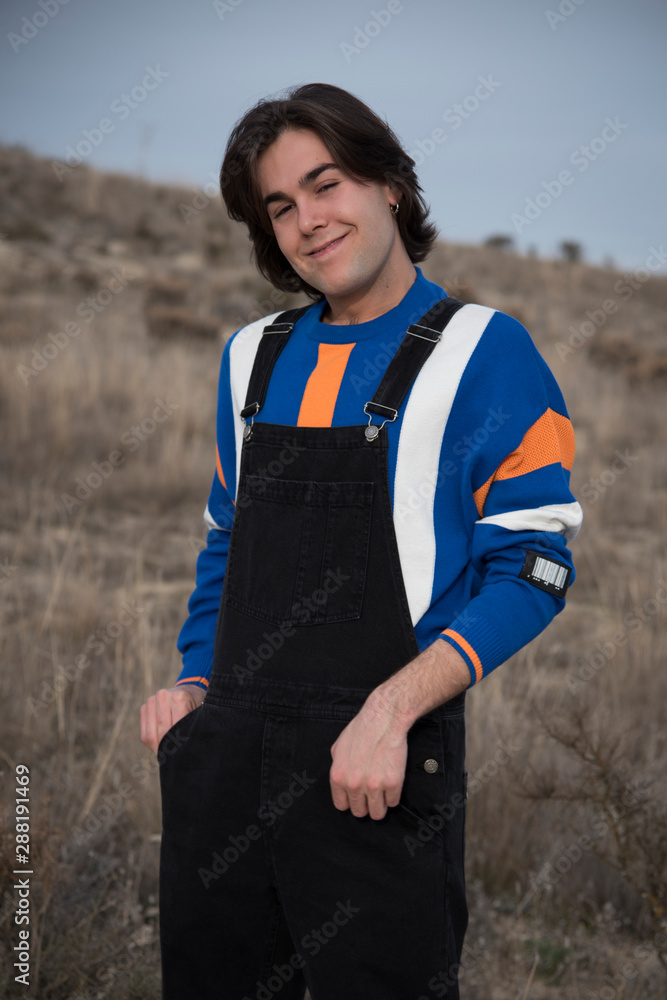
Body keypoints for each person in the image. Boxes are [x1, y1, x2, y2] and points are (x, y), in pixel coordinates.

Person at [140, 82, 582, 999]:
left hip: (379, 775)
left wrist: (391, 711)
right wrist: (194, 683)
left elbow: (533, 569)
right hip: (227, 770)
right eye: (281, 206)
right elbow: (228, 540)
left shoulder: (486, 352)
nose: (308, 220)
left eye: (326, 182)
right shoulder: (248, 357)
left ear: (387, 184)